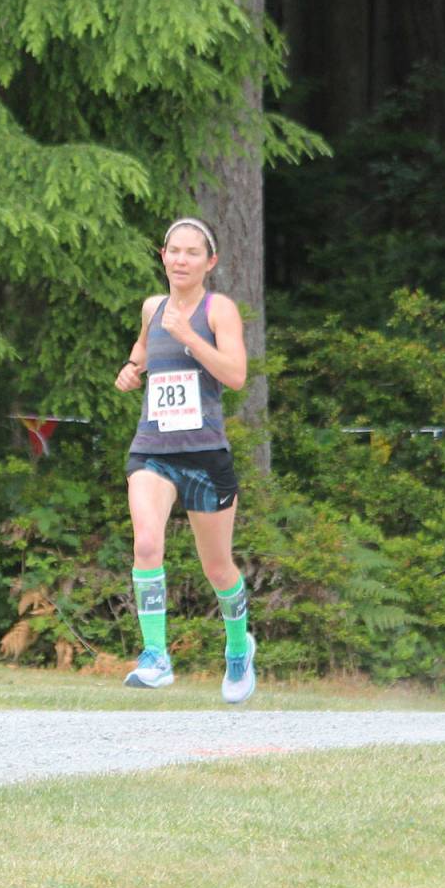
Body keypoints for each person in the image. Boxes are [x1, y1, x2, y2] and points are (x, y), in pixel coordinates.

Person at [114, 217, 255, 703]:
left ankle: (238, 648)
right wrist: (133, 369)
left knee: (217, 567)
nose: (180, 260)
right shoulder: (153, 307)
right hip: (152, 449)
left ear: (209, 262)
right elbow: (144, 349)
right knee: (147, 541)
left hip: (204, 453)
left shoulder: (220, 310)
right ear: (163, 256)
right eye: (173, 251)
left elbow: (236, 375)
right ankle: (155, 656)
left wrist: (189, 336)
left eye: (192, 253)